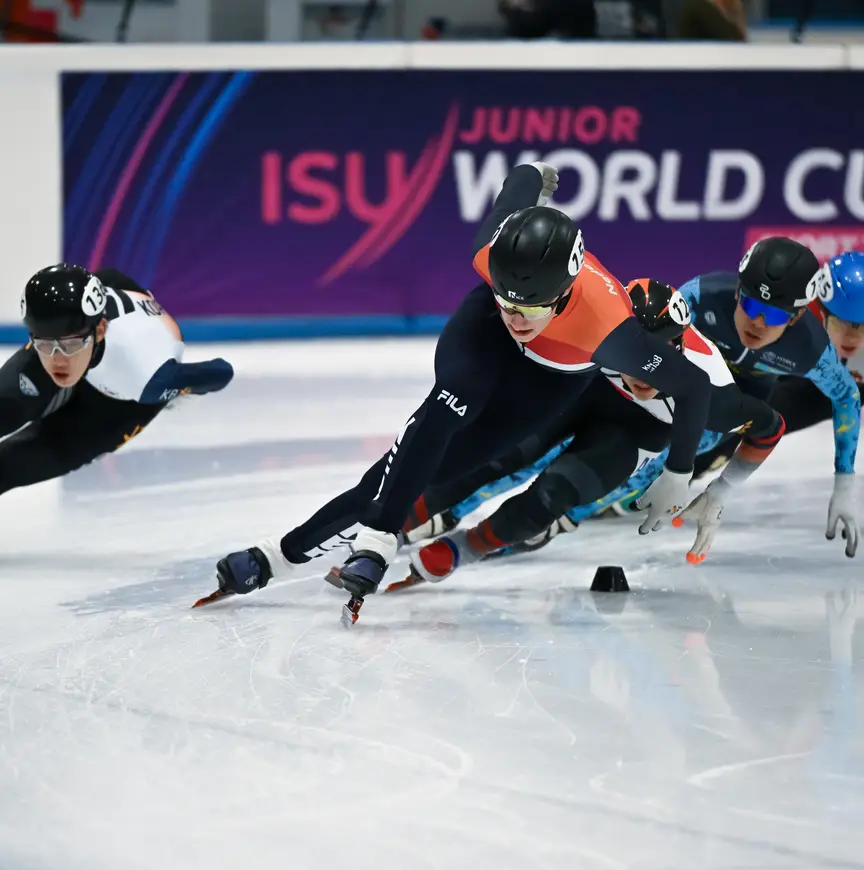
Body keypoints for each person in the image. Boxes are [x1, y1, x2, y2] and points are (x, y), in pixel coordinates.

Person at [208, 162, 716, 625]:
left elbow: (693, 387)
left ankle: (293, 552)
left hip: (550, 380)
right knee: (444, 412)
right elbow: (518, 183)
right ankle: (337, 546)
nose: (517, 316)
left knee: (429, 472)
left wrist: (679, 470)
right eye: (509, 299)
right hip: (480, 334)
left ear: (562, 294)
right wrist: (533, 174)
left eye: (530, 308)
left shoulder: (614, 329)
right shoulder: (489, 251)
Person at [394, 278, 785, 590]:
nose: (646, 371)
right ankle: (394, 524)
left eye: (661, 357)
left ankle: (464, 548)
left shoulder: (717, 396)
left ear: (680, 348)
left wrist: (721, 490)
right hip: (587, 388)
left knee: (553, 496)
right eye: (637, 354)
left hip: (636, 431)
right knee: (499, 454)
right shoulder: (593, 325)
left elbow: (771, 428)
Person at [675, 238, 859, 557]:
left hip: (740, 401)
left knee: (713, 436)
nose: (758, 323)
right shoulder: (701, 296)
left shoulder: (810, 350)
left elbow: (847, 397)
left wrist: (844, 484)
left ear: (795, 318)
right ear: (737, 293)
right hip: (692, 382)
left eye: (773, 316)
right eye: (751, 306)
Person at [0, 264, 234, 495]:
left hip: (117, 406)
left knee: (9, 466)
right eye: (43, 343)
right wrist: (59, 345)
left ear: (101, 329)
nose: (57, 359)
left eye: (69, 344)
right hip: (97, 326)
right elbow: (108, 278)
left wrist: (179, 387)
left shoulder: (145, 376)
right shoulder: (69, 329)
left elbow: (221, 372)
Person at [695, 250, 864, 478]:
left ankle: (701, 463)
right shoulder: (797, 318)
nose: (852, 338)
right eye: (842, 324)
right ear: (821, 309)